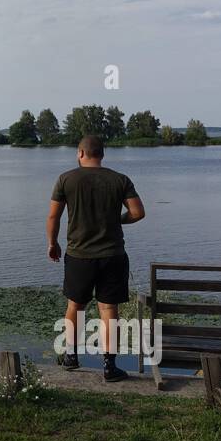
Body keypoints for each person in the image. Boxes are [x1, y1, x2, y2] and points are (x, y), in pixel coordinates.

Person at [46, 135, 145, 381]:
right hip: (113, 255)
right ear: (101, 154)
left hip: (79, 256)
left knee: (75, 306)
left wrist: (52, 243)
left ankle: (71, 356)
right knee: (109, 308)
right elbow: (138, 213)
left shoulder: (65, 179)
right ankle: (110, 367)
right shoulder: (119, 179)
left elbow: (53, 217)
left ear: (81, 153)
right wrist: (117, 219)